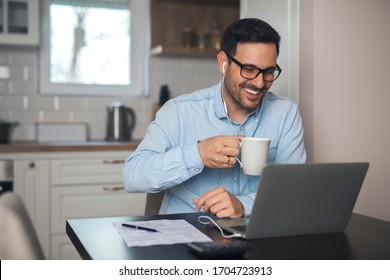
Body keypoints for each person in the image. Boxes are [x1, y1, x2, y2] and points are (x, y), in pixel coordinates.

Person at [123, 18, 306, 218]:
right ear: (224, 63)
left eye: (269, 71)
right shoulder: (178, 112)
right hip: (185, 236)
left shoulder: (286, 113)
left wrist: (243, 205)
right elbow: (132, 176)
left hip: (255, 237)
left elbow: (294, 190)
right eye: (249, 69)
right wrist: (198, 153)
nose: (259, 82)